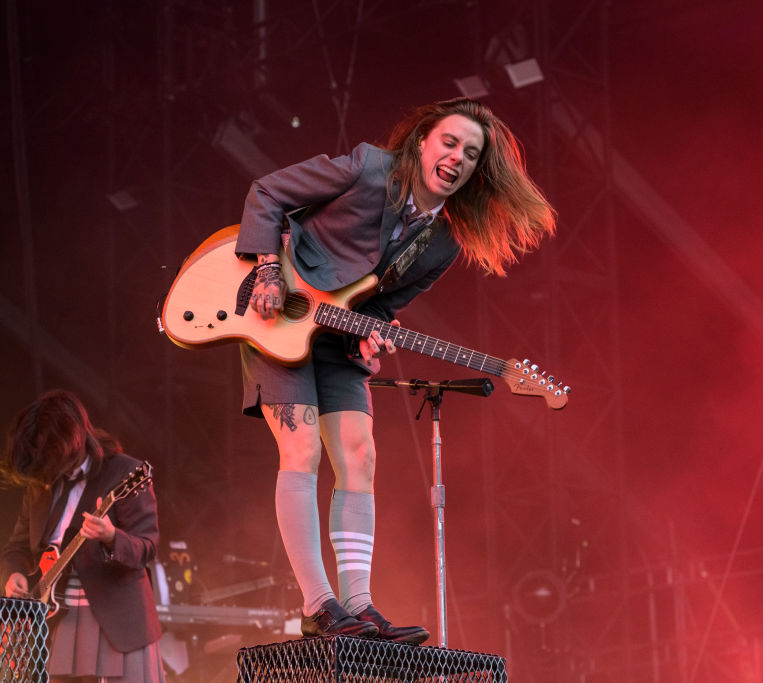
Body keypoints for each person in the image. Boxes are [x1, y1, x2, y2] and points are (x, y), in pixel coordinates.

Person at [234, 97, 557, 644]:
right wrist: (268, 272)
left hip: (338, 333)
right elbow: (267, 192)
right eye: (450, 142)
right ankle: (321, 607)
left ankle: (358, 606)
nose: (457, 157)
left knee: (362, 455)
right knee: (303, 450)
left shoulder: (444, 242)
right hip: (275, 313)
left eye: (471, 154)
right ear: (423, 142)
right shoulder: (368, 167)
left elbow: (380, 306)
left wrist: (372, 336)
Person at [0, 389, 166, 683]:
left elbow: (146, 547)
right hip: (57, 621)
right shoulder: (41, 485)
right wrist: (13, 576)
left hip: (113, 622)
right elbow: (16, 548)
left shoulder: (126, 473)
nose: (46, 468)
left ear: (72, 443)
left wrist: (112, 536)